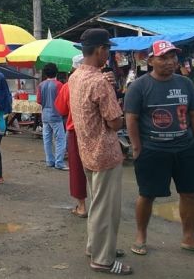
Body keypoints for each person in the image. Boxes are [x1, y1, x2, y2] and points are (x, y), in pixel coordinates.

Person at [124, 40, 194, 256]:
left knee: (189, 193)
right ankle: (141, 235)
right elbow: (131, 119)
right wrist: (136, 147)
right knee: (147, 195)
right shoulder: (139, 86)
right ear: (151, 60)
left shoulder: (185, 83)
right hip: (153, 149)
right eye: (163, 57)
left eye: (173, 57)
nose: (170, 62)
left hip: (186, 148)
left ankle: (189, 238)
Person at [68, 28, 132, 275]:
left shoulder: (75, 77)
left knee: (97, 204)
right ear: (100, 50)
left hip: (87, 149)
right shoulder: (100, 82)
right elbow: (115, 121)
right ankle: (102, 259)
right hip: (105, 152)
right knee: (106, 209)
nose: (108, 53)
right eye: (107, 49)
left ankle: (96, 247)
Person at [54, 55, 87, 218]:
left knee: (77, 169)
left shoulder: (68, 86)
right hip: (98, 132)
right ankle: (98, 206)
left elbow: (61, 109)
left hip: (75, 131)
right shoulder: (101, 81)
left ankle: (82, 206)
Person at [37, 63, 68, 170]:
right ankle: (59, 162)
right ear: (57, 72)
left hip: (45, 115)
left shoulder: (41, 85)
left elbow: (39, 100)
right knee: (60, 139)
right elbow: (62, 100)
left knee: (47, 139)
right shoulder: (59, 85)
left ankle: (49, 160)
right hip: (56, 115)